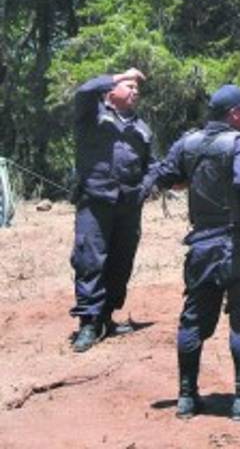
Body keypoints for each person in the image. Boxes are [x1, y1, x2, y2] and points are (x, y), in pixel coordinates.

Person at [147, 84, 240, 421]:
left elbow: (163, 176)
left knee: (194, 320)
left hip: (201, 246)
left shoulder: (188, 142)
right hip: (238, 245)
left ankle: (187, 397)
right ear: (233, 114)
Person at [69, 67, 157, 353]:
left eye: (137, 89)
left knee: (121, 262)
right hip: (95, 201)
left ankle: (106, 318)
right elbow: (84, 90)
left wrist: (144, 188)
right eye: (129, 87)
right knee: (90, 260)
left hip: (129, 205)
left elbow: (153, 165)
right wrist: (121, 74)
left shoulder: (142, 128)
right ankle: (88, 323)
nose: (135, 91)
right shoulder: (91, 114)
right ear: (110, 92)